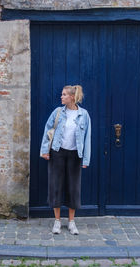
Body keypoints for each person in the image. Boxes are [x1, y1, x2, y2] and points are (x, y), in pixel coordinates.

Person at [40, 85, 91, 235]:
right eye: (61, 95)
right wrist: (44, 151)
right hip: (57, 153)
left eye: (64, 95)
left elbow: (87, 137)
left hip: (75, 155)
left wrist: (86, 159)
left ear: (72, 97)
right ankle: (57, 221)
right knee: (56, 186)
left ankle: (71, 222)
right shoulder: (57, 112)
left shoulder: (84, 115)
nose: (61, 97)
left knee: (73, 188)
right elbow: (47, 131)